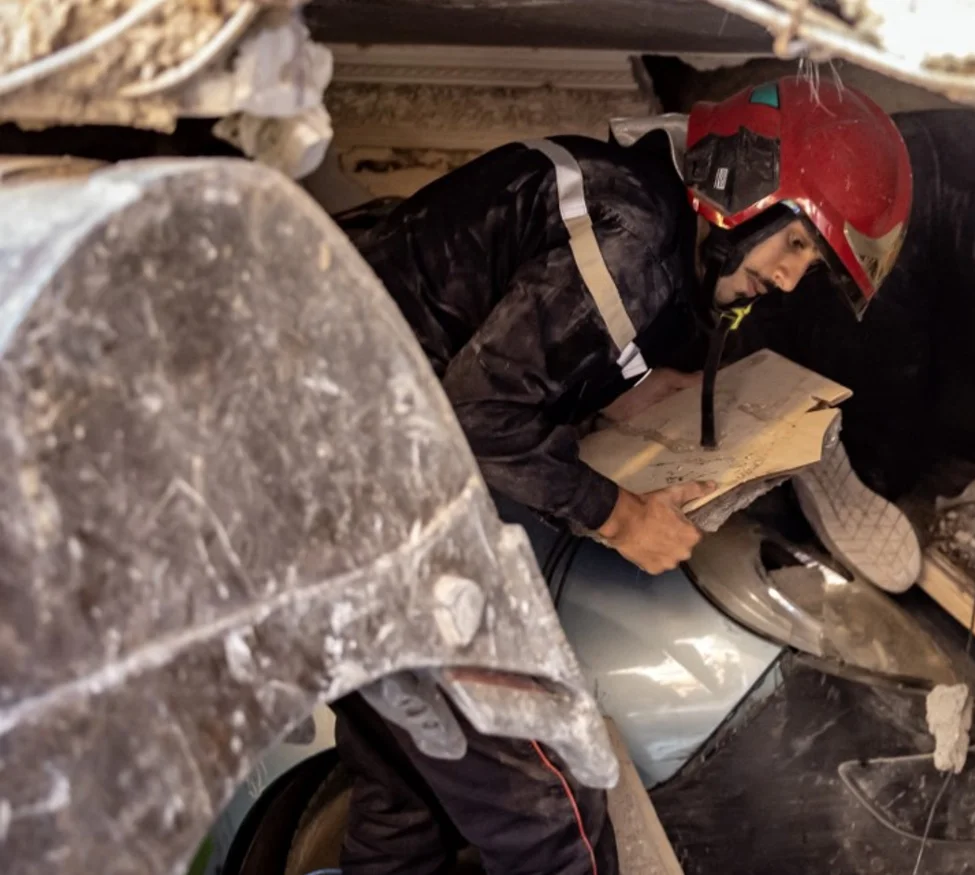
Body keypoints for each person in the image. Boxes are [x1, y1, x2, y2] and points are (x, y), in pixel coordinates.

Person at [329, 77, 913, 875]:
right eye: (798, 245)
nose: (787, 279)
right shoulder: (635, 242)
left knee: (404, 800)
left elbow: (502, 341)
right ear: (745, 188)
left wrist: (621, 389)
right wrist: (618, 516)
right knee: (553, 817)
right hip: (365, 502)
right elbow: (476, 415)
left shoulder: (631, 200)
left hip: (313, 486)